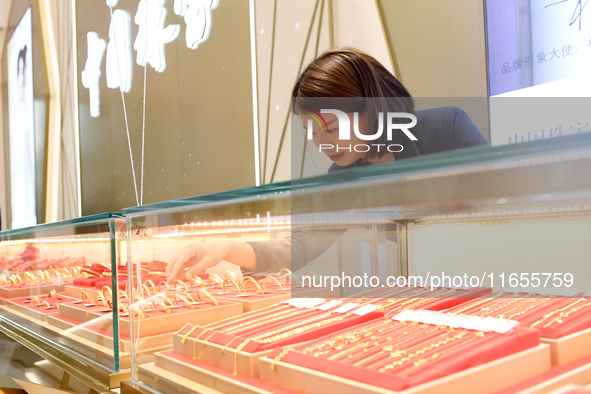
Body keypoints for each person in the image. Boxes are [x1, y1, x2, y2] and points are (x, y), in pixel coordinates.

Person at [167, 48, 489, 281]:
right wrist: (225, 247)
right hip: (426, 291)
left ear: (370, 108)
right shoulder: (342, 176)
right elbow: (301, 247)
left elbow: (512, 205)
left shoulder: (446, 129)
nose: (323, 145)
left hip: (494, 275)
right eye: (313, 134)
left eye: (331, 130)